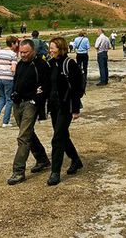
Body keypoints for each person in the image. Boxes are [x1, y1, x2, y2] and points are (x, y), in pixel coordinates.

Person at [7, 39, 51, 185]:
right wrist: (14, 93)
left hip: (31, 104)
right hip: (18, 103)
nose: (23, 55)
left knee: (23, 137)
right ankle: (42, 159)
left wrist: (35, 100)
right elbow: (16, 81)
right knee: (28, 133)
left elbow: (45, 86)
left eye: (26, 52)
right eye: (21, 52)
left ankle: (18, 171)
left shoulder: (42, 65)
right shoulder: (20, 64)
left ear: (33, 51)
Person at [46, 37, 84, 185]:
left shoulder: (70, 64)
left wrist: (75, 110)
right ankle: (75, 160)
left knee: (57, 139)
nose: (50, 50)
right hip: (55, 106)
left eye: (53, 48)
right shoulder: (50, 64)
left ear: (61, 48)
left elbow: (75, 89)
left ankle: (55, 173)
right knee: (62, 135)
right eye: (50, 48)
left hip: (66, 107)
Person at [0, 36, 19, 128]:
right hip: (8, 78)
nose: (17, 45)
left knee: (2, 97)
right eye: (16, 43)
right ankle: (5, 122)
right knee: (9, 100)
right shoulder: (13, 54)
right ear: (12, 44)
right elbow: (13, 68)